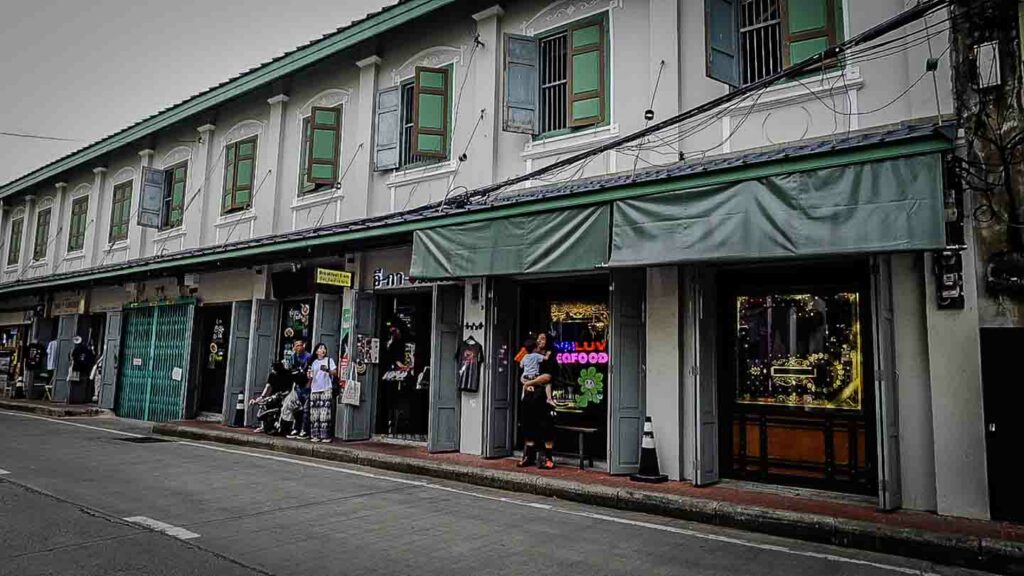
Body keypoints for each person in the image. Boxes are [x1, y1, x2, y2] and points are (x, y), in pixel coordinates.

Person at [518, 332, 559, 470]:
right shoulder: (527, 355)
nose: (540, 341)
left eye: (543, 338)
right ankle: (528, 456)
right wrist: (525, 382)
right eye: (538, 339)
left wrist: (530, 382)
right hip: (529, 396)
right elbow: (522, 375)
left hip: (543, 397)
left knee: (546, 426)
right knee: (527, 424)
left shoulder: (549, 356)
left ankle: (548, 458)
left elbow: (547, 377)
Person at [307, 343, 337, 443]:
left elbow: (335, 373)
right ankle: (315, 435)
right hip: (315, 389)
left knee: (325, 413)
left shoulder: (329, 360)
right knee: (314, 414)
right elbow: (311, 376)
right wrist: (309, 376)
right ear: (316, 351)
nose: (323, 350)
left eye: (324, 348)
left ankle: (325, 436)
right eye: (320, 348)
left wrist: (327, 370)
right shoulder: (314, 362)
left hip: (326, 389)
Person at [250, 362, 291, 433]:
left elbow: (289, 388)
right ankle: (263, 426)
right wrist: (262, 396)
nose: (273, 371)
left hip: (284, 395)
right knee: (264, 404)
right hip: (274, 394)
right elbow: (268, 386)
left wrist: (283, 394)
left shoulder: (287, 374)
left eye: (274, 369)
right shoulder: (272, 375)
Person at [518, 338, 554, 407]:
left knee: (531, 386)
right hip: (533, 376)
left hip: (525, 377)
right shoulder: (536, 356)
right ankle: (549, 399)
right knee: (548, 384)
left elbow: (521, 365)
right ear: (534, 349)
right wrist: (548, 354)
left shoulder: (524, 356)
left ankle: (527, 387)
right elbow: (546, 358)